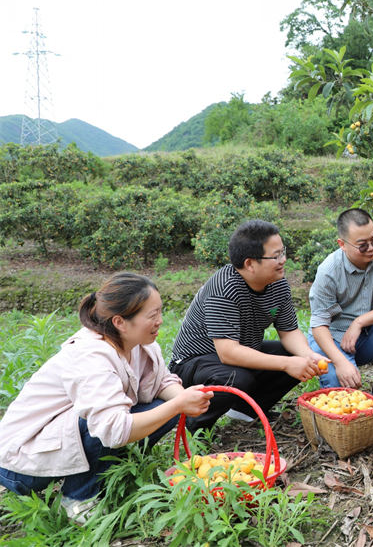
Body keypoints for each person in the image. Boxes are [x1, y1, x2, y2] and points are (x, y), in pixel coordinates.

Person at [0, 273, 212, 524]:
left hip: (60, 442)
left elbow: (161, 382)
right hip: (22, 464)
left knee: (167, 408)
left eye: (160, 312)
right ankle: (78, 499)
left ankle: (111, 469)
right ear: (120, 321)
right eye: (152, 315)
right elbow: (112, 429)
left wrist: (182, 398)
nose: (160, 321)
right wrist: (178, 404)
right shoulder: (91, 356)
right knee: (102, 422)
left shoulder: (140, 343)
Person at [168, 220, 324, 431]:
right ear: (250, 263)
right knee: (237, 377)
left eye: (283, 252)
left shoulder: (278, 283)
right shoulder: (224, 288)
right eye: (276, 256)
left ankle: (245, 412)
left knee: (292, 355)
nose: (283, 260)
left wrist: (307, 355)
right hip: (193, 363)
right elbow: (228, 353)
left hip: (238, 352)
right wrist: (287, 365)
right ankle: (196, 427)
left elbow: (289, 332)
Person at [307, 208, 373, 412]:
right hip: (332, 339)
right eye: (362, 245)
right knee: (342, 395)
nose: (371, 248)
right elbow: (319, 325)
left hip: (367, 334)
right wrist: (341, 362)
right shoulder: (329, 271)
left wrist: (360, 322)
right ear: (342, 244)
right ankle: (343, 372)